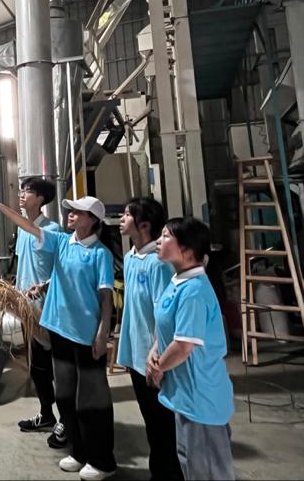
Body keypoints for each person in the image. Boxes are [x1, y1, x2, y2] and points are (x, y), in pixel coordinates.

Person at [0, 192, 117, 481]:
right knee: (65, 396)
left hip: (85, 335)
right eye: (70, 210)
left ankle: (102, 461)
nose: (70, 214)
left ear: (92, 220)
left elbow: (106, 298)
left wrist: (102, 334)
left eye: (77, 212)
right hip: (59, 329)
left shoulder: (100, 254)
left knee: (91, 401)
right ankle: (78, 452)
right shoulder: (63, 242)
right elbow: (28, 226)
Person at [147, 217, 235, 480]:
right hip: (184, 393)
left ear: (187, 249)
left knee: (208, 471)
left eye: (165, 236)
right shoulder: (178, 281)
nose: (158, 241)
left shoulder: (194, 291)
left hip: (201, 396)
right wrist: (154, 351)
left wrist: (159, 368)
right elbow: (167, 326)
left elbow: (184, 346)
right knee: (191, 466)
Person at [118, 198, 182, 481]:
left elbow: (164, 315)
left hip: (154, 358)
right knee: (151, 422)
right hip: (136, 355)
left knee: (163, 424)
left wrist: (158, 357)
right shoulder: (131, 258)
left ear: (144, 225)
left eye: (127, 215)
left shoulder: (159, 263)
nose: (121, 219)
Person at [13, 178, 66, 449]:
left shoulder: (52, 230)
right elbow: (22, 265)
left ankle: (66, 420)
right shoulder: (22, 229)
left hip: (48, 308)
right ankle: (46, 414)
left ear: (42, 199)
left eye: (29, 191)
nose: (23, 194)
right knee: (37, 366)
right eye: (22, 190)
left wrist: (44, 287)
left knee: (58, 366)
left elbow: (62, 269)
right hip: (27, 308)